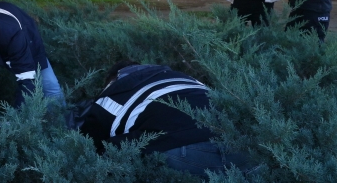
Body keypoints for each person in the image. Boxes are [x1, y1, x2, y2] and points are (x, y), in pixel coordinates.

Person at [78, 60, 253, 177]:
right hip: (244, 146)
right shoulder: (185, 78)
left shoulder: (112, 96)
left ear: (112, 80)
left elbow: (89, 146)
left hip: (182, 153)